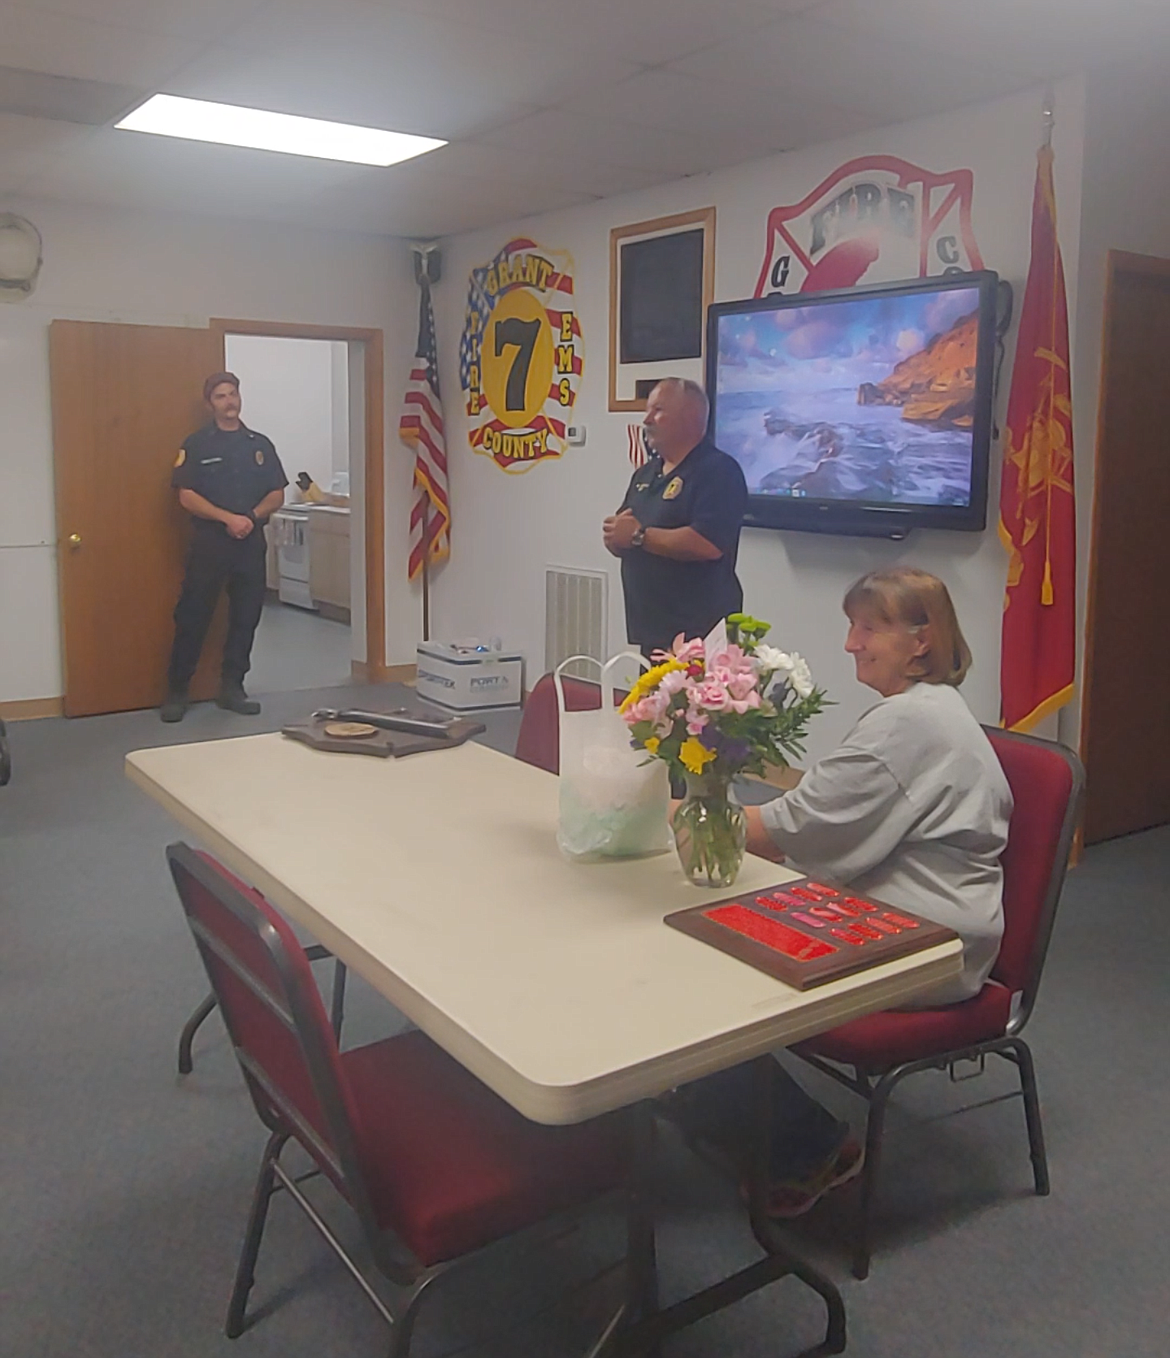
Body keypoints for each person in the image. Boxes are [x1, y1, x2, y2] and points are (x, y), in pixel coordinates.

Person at [679, 567, 1013, 1217]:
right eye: (851, 627)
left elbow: (788, 829)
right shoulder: (922, 712)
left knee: (704, 965)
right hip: (911, 912)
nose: (850, 644)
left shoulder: (909, 726)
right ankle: (720, 1107)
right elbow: (817, 824)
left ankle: (812, 1149)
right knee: (708, 931)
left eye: (868, 629)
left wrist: (678, 814)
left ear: (922, 642)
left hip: (929, 940)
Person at [160, 373, 287, 723]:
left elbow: (277, 493)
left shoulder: (259, 445)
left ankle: (233, 687)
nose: (229, 401)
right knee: (193, 615)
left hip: (249, 543)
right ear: (209, 404)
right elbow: (186, 495)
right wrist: (227, 519)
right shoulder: (197, 444)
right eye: (220, 396)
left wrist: (250, 517)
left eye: (233, 394)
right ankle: (177, 691)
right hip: (210, 543)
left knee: (246, 617)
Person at [603, 378, 748, 658]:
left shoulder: (718, 471)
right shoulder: (646, 474)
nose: (647, 419)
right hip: (653, 632)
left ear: (690, 417)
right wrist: (616, 538)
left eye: (658, 410)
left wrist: (638, 536)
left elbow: (707, 543)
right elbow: (626, 529)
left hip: (699, 635)